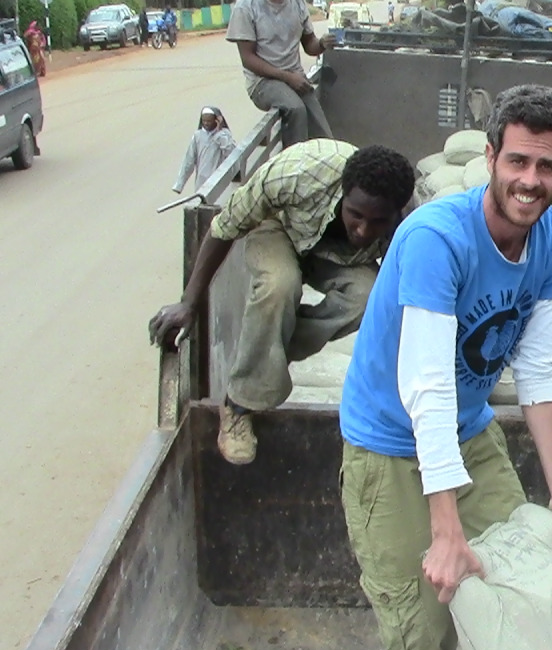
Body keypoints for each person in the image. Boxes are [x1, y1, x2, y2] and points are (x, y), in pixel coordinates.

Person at [338, 84, 552, 650]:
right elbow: (427, 389)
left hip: (470, 435)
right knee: (421, 638)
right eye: (518, 162)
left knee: (531, 599)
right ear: (492, 156)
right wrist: (445, 530)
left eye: (547, 167)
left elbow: (535, 372)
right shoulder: (435, 239)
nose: (530, 182)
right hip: (390, 447)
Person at [148, 139, 415, 465]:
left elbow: (397, 297)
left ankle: (261, 361)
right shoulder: (296, 173)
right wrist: (189, 302)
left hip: (336, 255)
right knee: (280, 285)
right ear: (343, 194)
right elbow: (224, 228)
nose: (362, 229)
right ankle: (239, 404)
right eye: (355, 214)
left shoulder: (408, 220)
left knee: (367, 298)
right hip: (278, 227)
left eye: (378, 222)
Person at [226, 0, 336, 148]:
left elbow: (310, 44)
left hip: (295, 78)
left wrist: (322, 44)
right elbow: (248, 59)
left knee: (323, 133)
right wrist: (288, 77)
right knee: (295, 109)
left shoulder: (298, 4)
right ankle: (293, 165)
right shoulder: (246, 7)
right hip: (263, 81)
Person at [172, 106, 236, 197]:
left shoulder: (224, 135)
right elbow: (188, 161)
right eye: (204, 121)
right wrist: (179, 184)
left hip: (219, 180)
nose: (206, 123)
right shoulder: (197, 136)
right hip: (201, 183)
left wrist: (218, 134)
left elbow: (232, 153)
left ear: (216, 120)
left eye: (209, 121)